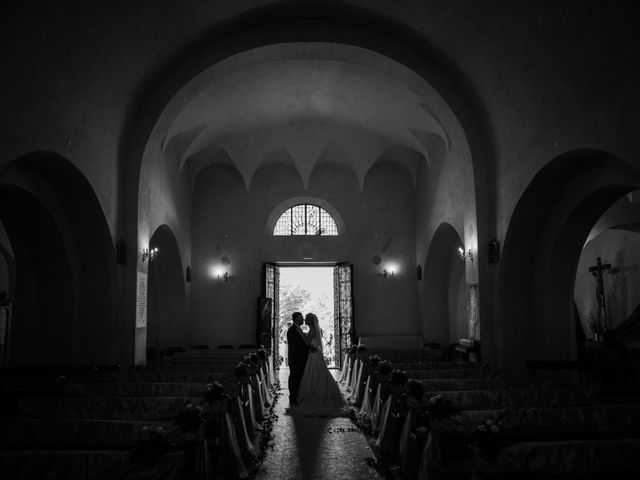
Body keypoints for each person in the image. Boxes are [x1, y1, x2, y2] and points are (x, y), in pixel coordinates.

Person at [297, 313, 346, 416]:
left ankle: (315, 394)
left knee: (314, 374)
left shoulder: (312, 330)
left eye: (306, 318)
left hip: (313, 355)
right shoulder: (314, 330)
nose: (305, 320)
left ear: (310, 321)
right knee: (320, 373)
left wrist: (301, 333)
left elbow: (306, 342)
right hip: (316, 354)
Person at [286, 312, 309, 406]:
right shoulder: (292, 330)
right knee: (294, 378)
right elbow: (297, 346)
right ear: (295, 319)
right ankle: (293, 398)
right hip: (296, 359)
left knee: (297, 377)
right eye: (301, 318)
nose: (303, 319)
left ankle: (296, 396)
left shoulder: (297, 328)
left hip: (299, 359)